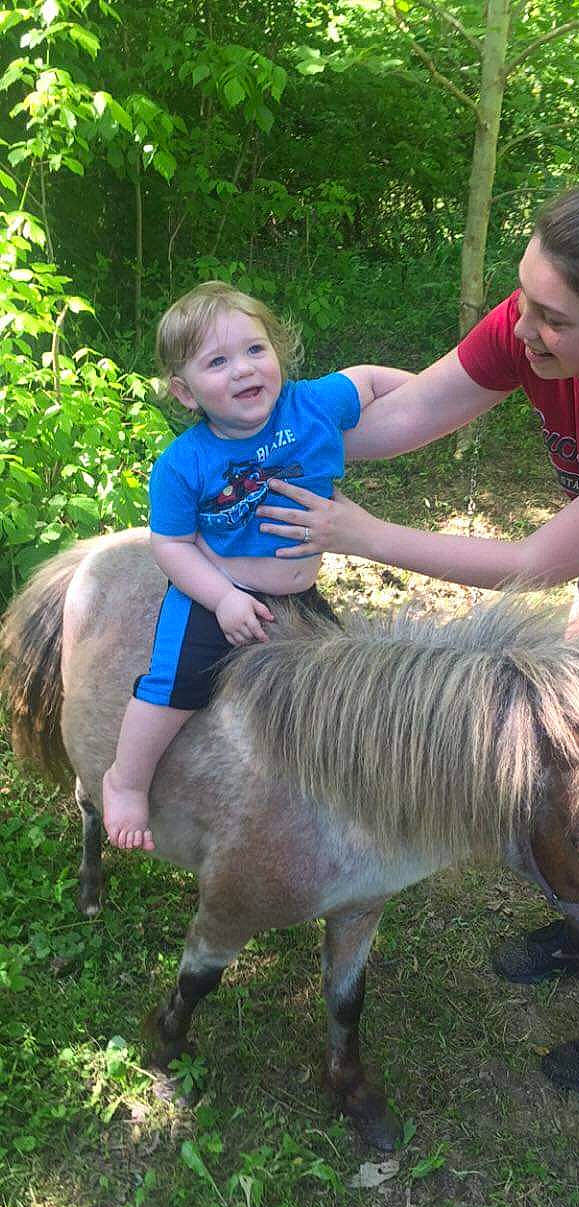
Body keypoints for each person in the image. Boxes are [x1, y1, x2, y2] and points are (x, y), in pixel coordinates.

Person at [255, 176, 579, 1099]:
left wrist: (365, 537)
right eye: (526, 296)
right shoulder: (534, 326)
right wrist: (262, 433)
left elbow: (538, 559)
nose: (525, 327)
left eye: (553, 318)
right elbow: (411, 413)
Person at [102, 280, 412, 852]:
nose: (243, 369)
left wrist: (422, 394)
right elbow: (171, 546)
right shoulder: (183, 464)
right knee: (172, 687)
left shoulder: (310, 405)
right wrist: (222, 598)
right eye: (217, 361)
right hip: (214, 590)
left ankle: (343, 790)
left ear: (277, 354)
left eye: (254, 350)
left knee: (343, 681)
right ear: (185, 392)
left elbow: (367, 380)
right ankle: (125, 781)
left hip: (298, 593)